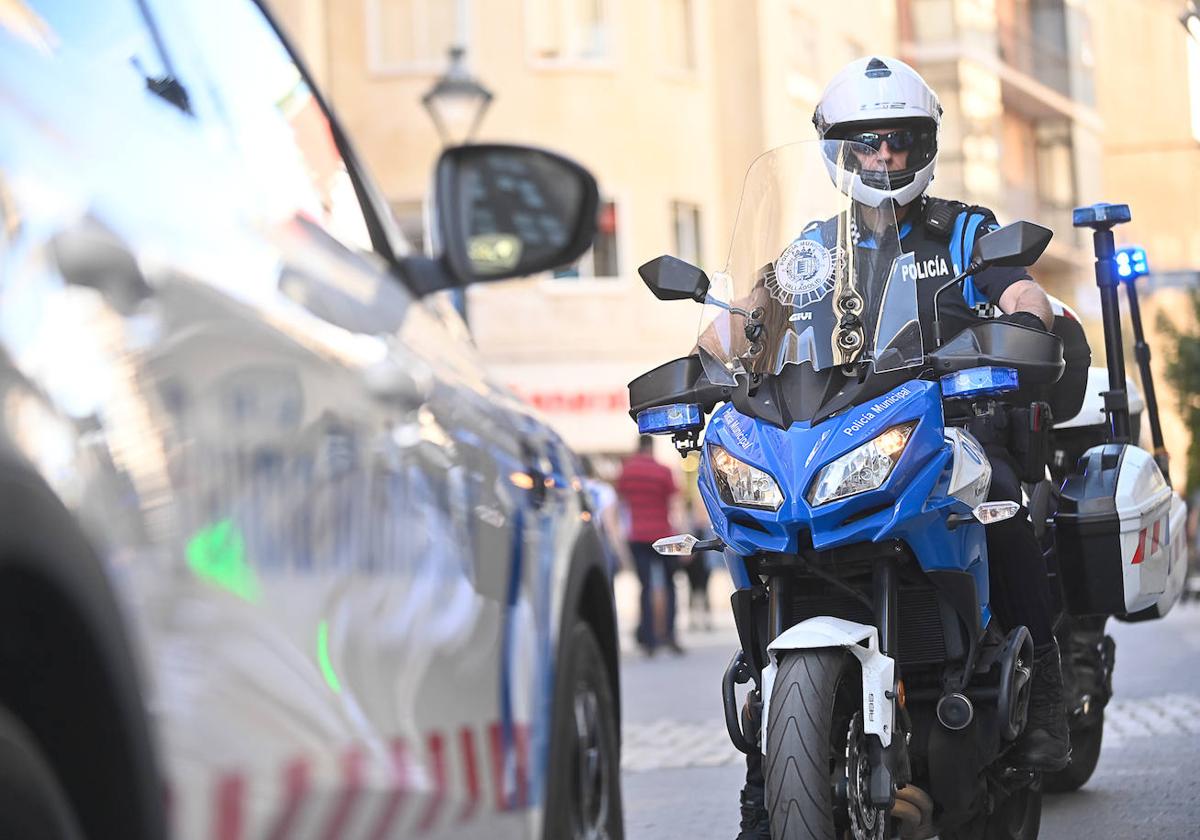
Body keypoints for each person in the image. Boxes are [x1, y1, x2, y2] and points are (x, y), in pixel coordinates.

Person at [734, 56, 1069, 839]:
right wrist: (713, 344)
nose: (884, 158)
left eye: (900, 142)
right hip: (834, 431)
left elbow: (1022, 291)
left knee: (1002, 500)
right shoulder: (811, 252)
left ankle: (1043, 682)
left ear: (924, 149)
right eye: (868, 144)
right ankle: (766, 774)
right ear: (840, 153)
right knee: (753, 536)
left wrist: (1028, 315)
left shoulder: (964, 231)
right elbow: (746, 315)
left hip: (952, 420)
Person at [616, 435, 683, 656]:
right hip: (663, 535)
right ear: (652, 448)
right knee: (670, 585)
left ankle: (649, 641)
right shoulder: (663, 471)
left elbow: (621, 504)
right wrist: (681, 535)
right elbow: (675, 505)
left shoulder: (627, 472)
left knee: (645, 587)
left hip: (637, 536)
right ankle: (670, 636)